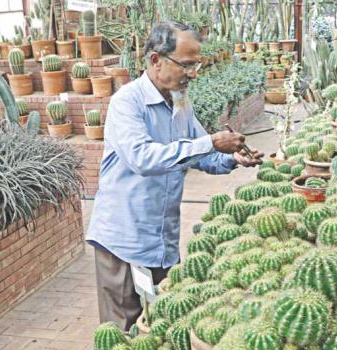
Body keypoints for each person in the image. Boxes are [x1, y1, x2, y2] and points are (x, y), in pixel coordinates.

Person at [86, 21, 263, 331]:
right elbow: (143, 159)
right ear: (156, 60)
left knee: (167, 323)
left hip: (162, 240)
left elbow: (200, 151)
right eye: (186, 65)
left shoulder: (180, 101)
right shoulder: (127, 103)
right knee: (123, 335)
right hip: (124, 242)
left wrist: (231, 158)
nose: (193, 74)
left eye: (196, 65)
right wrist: (211, 142)